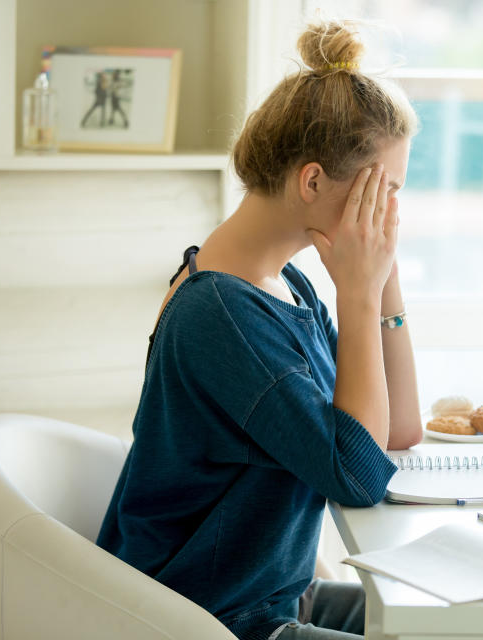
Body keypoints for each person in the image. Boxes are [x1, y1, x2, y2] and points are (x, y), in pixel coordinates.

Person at [95, 19, 423, 640]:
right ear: (313, 181)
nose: (392, 213)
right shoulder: (222, 315)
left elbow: (396, 430)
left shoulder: (283, 286)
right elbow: (359, 479)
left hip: (274, 598)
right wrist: (356, 290)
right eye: (385, 191)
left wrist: (385, 278)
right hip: (212, 619)